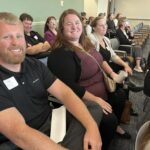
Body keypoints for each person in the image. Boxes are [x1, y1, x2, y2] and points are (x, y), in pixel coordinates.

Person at [0, 12, 103, 150]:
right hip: (17, 142)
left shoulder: (34, 65)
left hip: (51, 122)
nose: (15, 42)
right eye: (7, 37)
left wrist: (92, 127)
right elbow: (20, 133)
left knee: (93, 107)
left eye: (19, 36)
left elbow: (65, 93)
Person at [47, 9, 131, 150]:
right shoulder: (60, 54)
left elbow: (101, 59)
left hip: (102, 88)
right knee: (109, 120)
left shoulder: (85, 42)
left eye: (77, 22)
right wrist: (96, 100)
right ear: (61, 28)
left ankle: (114, 127)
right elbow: (70, 87)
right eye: (69, 24)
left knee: (120, 95)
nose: (74, 26)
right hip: (84, 100)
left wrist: (112, 74)